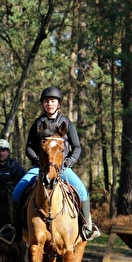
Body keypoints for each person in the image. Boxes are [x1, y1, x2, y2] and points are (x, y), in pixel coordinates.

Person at [12, 86, 100, 241]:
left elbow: (77, 147)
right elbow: (29, 148)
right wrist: (39, 162)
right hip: (40, 168)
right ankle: (15, 229)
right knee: (17, 191)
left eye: (52, 101)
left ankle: (86, 227)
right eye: (46, 101)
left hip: (62, 168)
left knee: (83, 192)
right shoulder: (38, 123)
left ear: (58, 104)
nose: (49, 104)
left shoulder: (67, 123)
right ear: (43, 104)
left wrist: (69, 161)